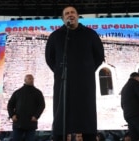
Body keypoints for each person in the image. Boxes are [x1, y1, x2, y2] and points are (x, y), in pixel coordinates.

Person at [45, 5, 105, 141]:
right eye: (66, 13)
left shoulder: (90, 34)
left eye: (73, 12)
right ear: (63, 18)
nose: (70, 15)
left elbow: (99, 55)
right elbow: (50, 58)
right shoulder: (56, 36)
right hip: (63, 81)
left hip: (85, 82)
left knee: (85, 113)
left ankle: (88, 135)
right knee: (63, 111)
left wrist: (87, 69)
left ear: (78, 16)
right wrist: (60, 71)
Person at [7, 74, 46, 141]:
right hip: (18, 123)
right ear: (25, 80)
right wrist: (12, 115)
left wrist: (36, 116)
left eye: (32, 79)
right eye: (29, 78)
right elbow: (10, 105)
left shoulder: (37, 93)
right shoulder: (18, 92)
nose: (31, 80)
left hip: (31, 123)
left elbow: (42, 105)